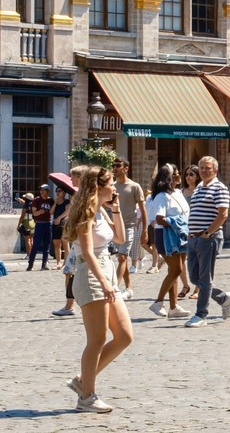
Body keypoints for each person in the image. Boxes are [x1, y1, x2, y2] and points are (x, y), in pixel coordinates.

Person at [64, 167, 133, 414]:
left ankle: (83, 381)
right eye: (111, 184)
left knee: (125, 335)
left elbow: (120, 238)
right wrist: (103, 281)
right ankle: (87, 396)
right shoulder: (85, 211)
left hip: (107, 271)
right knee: (97, 339)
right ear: (98, 187)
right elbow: (87, 251)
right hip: (91, 275)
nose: (115, 188)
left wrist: (116, 208)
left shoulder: (102, 209)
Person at [182, 157, 230, 327]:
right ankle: (223, 298)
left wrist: (207, 233)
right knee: (195, 277)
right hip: (194, 238)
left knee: (204, 277)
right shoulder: (198, 188)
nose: (204, 171)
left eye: (208, 168)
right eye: (202, 168)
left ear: (215, 170)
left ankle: (201, 315)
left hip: (208, 238)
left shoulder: (219, 188)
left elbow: (223, 214)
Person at [143, 166, 188, 317]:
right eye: (175, 174)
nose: (179, 176)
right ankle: (158, 302)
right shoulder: (162, 196)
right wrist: (178, 223)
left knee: (173, 271)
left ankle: (173, 307)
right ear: (169, 178)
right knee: (177, 269)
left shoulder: (178, 193)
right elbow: (159, 218)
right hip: (166, 236)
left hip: (180, 235)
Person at [107, 159, 145, 298]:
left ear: (126, 168)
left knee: (122, 257)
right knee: (121, 259)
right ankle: (129, 288)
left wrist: (144, 230)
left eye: (118, 166)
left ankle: (115, 287)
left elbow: (143, 209)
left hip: (129, 226)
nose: (115, 168)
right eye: (113, 166)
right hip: (114, 226)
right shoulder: (112, 186)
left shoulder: (134, 186)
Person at [22, 184, 55, 270]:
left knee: (46, 245)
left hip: (48, 224)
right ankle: (30, 264)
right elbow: (34, 213)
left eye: (43, 190)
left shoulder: (51, 201)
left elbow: (52, 211)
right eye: (41, 190)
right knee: (35, 245)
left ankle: (44, 264)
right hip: (39, 224)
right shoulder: (37, 200)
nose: (41, 191)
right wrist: (41, 211)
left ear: (48, 192)